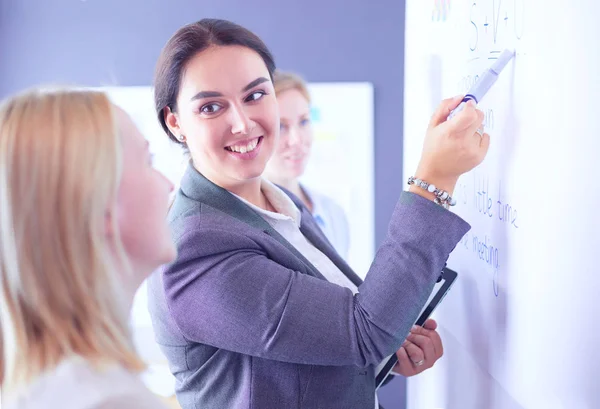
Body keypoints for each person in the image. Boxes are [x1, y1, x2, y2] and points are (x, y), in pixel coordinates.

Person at [147, 18, 488, 409]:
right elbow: (363, 331)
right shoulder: (194, 250)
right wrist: (434, 179)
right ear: (176, 124)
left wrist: (386, 354)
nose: (242, 123)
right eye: (211, 107)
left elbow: (320, 346)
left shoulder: (278, 204)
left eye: (255, 95)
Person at [0, 88, 176, 409]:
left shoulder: (46, 386)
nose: (168, 184)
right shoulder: (110, 400)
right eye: (147, 161)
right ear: (101, 204)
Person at [264, 70, 350, 259]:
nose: (296, 140)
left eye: (304, 121)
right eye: (281, 126)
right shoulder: (249, 225)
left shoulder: (332, 213)